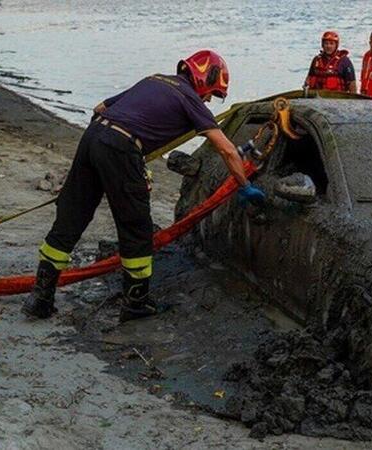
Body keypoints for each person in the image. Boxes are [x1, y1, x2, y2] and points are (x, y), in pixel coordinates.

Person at [21, 49, 265, 322]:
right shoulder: (189, 98)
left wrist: (112, 157)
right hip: (120, 147)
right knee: (136, 228)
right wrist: (244, 186)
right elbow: (228, 151)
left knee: (71, 218)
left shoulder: (154, 80)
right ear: (203, 78)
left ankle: (40, 298)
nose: (208, 99)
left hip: (93, 136)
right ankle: (136, 303)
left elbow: (100, 108)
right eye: (211, 93)